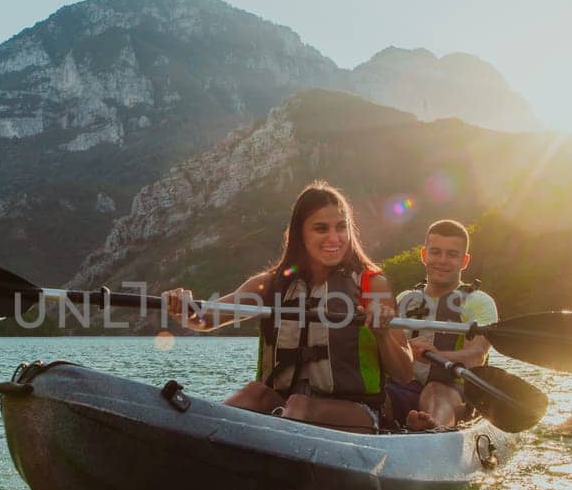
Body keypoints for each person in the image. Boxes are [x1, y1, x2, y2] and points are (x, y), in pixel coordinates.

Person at [162, 182, 412, 432]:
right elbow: (205, 320)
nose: (334, 238)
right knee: (254, 394)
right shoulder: (269, 285)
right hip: (288, 409)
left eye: (341, 227)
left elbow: (404, 373)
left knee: (300, 407)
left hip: (357, 414)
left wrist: (383, 334)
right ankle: (203, 437)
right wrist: (183, 308)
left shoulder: (372, 285)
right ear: (300, 234)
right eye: (320, 229)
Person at [385, 220, 499, 431]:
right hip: (404, 386)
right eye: (435, 252)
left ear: (464, 261)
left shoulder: (479, 302)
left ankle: (431, 428)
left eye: (452, 255)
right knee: (376, 394)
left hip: (454, 391)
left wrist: (438, 354)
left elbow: (476, 356)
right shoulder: (404, 299)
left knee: (435, 390)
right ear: (423, 255)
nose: (442, 260)